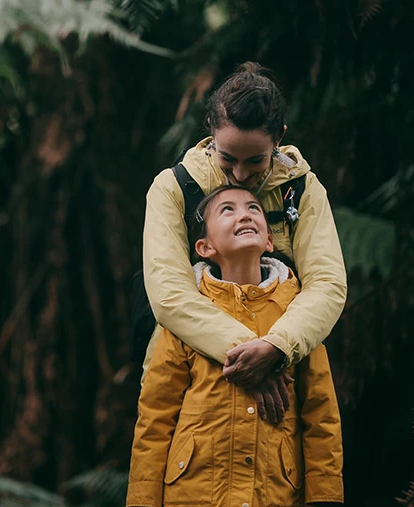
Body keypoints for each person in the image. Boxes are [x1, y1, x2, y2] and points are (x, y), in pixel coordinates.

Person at [126, 185, 344, 507]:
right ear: (205, 246)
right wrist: (145, 504)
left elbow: (321, 410)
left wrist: (322, 498)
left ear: (268, 239)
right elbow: (155, 413)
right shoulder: (187, 312)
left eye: (253, 209)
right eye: (227, 209)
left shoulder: (298, 313)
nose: (243, 214)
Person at [141, 62, 347, 423]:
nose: (240, 174)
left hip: (286, 378)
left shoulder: (301, 189)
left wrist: (277, 347)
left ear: (278, 139)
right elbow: (168, 293)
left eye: (256, 161)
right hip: (188, 380)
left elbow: (327, 284)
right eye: (227, 158)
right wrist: (252, 354)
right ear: (210, 132)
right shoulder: (173, 187)